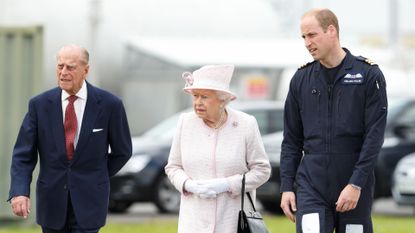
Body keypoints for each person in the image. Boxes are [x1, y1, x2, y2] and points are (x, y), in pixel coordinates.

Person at [279, 8, 388, 233]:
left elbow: (374, 139)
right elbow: (291, 140)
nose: (307, 43)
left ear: (331, 31)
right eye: (303, 37)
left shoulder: (368, 75)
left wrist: (356, 184)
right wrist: (287, 187)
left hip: (354, 181)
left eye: (312, 35)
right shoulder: (301, 79)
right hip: (311, 183)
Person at [8, 44, 132, 233]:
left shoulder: (110, 105)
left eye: (70, 67)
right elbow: (23, 155)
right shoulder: (39, 105)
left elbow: (122, 151)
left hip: (90, 203)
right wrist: (19, 191)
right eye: (60, 66)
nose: (63, 72)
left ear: (86, 70)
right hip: (51, 202)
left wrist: (95, 176)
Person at [165, 64, 271, 233]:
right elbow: (173, 167)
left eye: (204, 97)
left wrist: (226, 184)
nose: (198, 102)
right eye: (195, 96)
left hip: (232, 221)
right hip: (193, 223)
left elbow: (262, 171)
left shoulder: (246, 124)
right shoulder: (185, 122)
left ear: (223, 99)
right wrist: (188, 185)